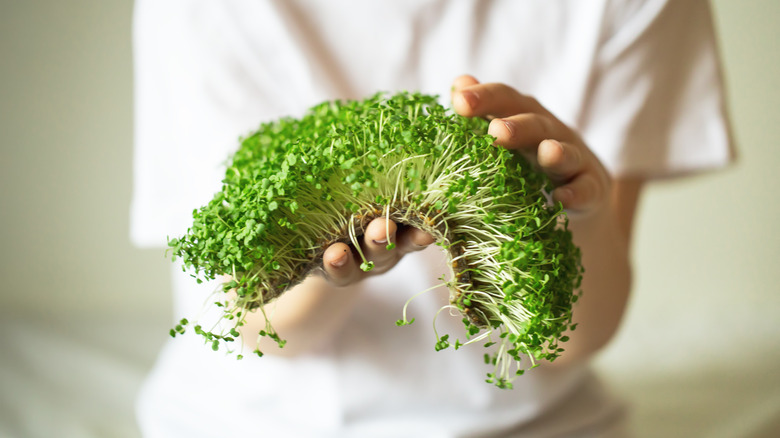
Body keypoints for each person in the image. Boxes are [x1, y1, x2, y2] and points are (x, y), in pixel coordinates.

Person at [131, 1, 733, 436]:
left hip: (537, 423)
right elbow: (254, 327)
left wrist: (582, 212)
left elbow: (573, 337)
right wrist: (318, 264)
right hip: (250, 424)